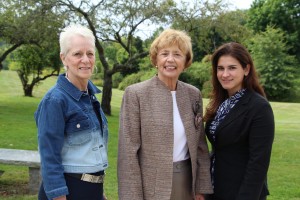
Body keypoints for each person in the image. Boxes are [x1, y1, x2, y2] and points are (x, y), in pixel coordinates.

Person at [117, 28, 213, 200]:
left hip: (187, 184)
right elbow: (128, 153)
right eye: (164, 54)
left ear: (185, 61)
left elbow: (201, 147)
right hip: (150, 187)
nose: (170, 59)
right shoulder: (136, 94)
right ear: (156, 59)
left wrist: (201, 188)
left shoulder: (193, 95)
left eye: (177, 54)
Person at [35, 24, 108, 200]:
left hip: (92, 191)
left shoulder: (91, 97)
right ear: (64, 58)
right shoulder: (55, 101)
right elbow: (49, 158)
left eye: (90, 53)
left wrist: (100, 192)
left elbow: (89, 152)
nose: (85, 60)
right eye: (77, 54)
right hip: (68, 192)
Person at [204, 42, 275, 200]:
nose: (225, 74)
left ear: (246, 69)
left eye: (232, 68)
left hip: (241, 192)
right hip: (215, 187)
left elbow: (258, 163)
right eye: (220, 68)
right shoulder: (220, 103)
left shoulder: (259, 107)